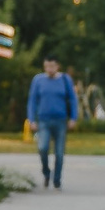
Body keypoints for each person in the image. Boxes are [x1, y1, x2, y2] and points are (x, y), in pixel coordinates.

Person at [26, 56, 79, 189]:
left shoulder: (65, 80)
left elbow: (73, 100)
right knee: (42, 148)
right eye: (46, 66)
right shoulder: (38, 80)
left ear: (57, 66)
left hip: (60, 121)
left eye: (52, 66)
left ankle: (57, 179)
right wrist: (31, 119)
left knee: (59, 153)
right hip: (43, 120)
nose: (49, 69)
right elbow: (32, 101)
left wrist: (73, 118)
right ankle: (46, 172)